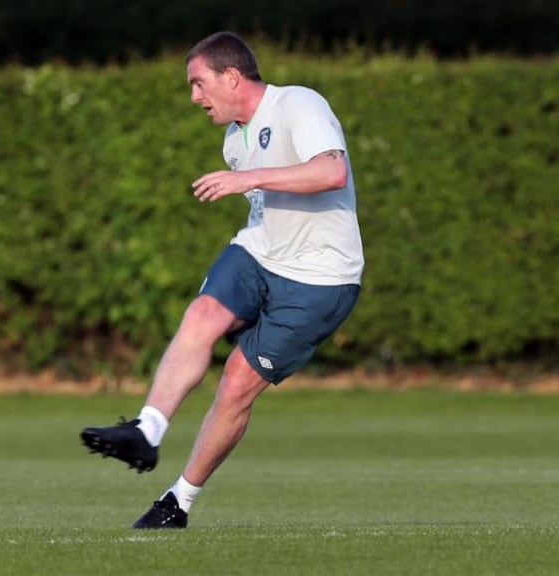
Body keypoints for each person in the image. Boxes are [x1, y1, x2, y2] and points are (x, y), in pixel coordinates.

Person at [80, 31, 364, 529]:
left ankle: (178, 502)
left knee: (235, 383)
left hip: (320, 276)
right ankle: (147, 431)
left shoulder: (299, 104)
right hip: (260, 251)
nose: (194, 97)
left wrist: (248, 178)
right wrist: (246, 180)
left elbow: (331, 172)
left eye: (199, 83)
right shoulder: (234, 139)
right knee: (202, 313)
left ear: (232, 77)